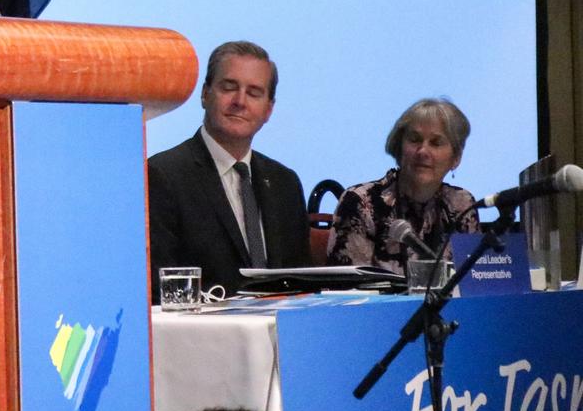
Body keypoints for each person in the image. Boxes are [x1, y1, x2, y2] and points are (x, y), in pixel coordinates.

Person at [148, 41, 311, 295]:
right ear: (205, 94)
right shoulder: (163, 175)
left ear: (268, 109)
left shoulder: (285, 183)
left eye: (254, 92)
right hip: (200, 332)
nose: (240, 101)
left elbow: (302, 285)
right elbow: (160, 287)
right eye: (229, 87)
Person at [326, 98, 478, 273]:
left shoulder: (461, 205)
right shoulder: (361, 202)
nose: (422, 151)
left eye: (436, 143)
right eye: (414, 140)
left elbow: (473, 286)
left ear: (456, 158)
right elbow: (348, 291)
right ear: (399, 149)